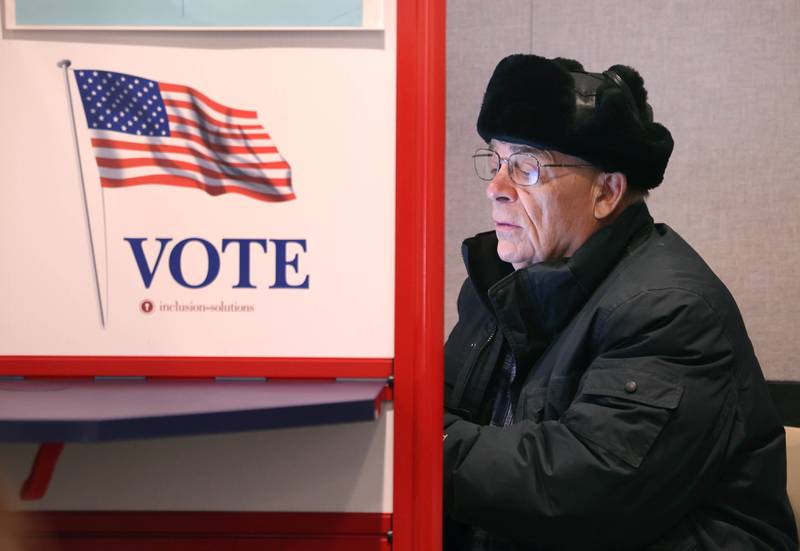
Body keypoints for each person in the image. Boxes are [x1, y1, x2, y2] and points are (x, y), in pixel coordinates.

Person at [442, 54, 798, 550]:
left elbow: (581, 490)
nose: (495, 189)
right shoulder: (497, 288)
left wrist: (419, 448)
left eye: (525, 167)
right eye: (496, 162)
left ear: (607, 192)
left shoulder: (671, 309)